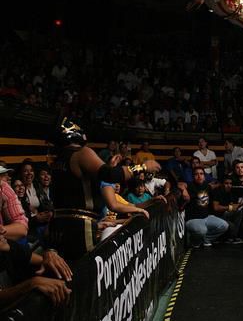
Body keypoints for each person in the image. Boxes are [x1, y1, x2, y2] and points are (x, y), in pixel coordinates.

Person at [47, 117, 161, 260]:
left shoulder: (58, 160)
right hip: (79, 225)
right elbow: (110, 175)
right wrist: (142, 167)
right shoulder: (81, 153)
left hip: (58, 224)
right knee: (85, 265)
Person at [0, 224, 71, 308]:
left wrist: (50, 254)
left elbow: (41, 261)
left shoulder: (7, 246)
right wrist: (32, 284)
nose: (3, 230)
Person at [185, 167, 229, 248]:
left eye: (201, 174)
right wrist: (184, 190)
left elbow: (214, 186)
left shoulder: (207, 186)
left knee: (224, 225)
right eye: (196, 174)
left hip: (206, 217)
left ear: (204, 176)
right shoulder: (189, 185)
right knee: (203, 230)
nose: (199, 176)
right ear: (193, 176)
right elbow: (179, 184)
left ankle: (206, 239)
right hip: (193, 219)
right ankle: (195, 242)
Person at [211, 176, 243, 243]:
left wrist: (239, 205)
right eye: (226, 183)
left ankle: (232, 237)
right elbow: (215, 208)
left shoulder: (231, 193)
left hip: (226, 214)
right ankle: (233, 236)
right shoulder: (217, 192)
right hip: (216, 216)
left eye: (230, 183)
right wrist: (229, 207)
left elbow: (233, 207)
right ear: (222, 184)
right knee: (232, 226)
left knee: (239, 212)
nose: (229, 185)